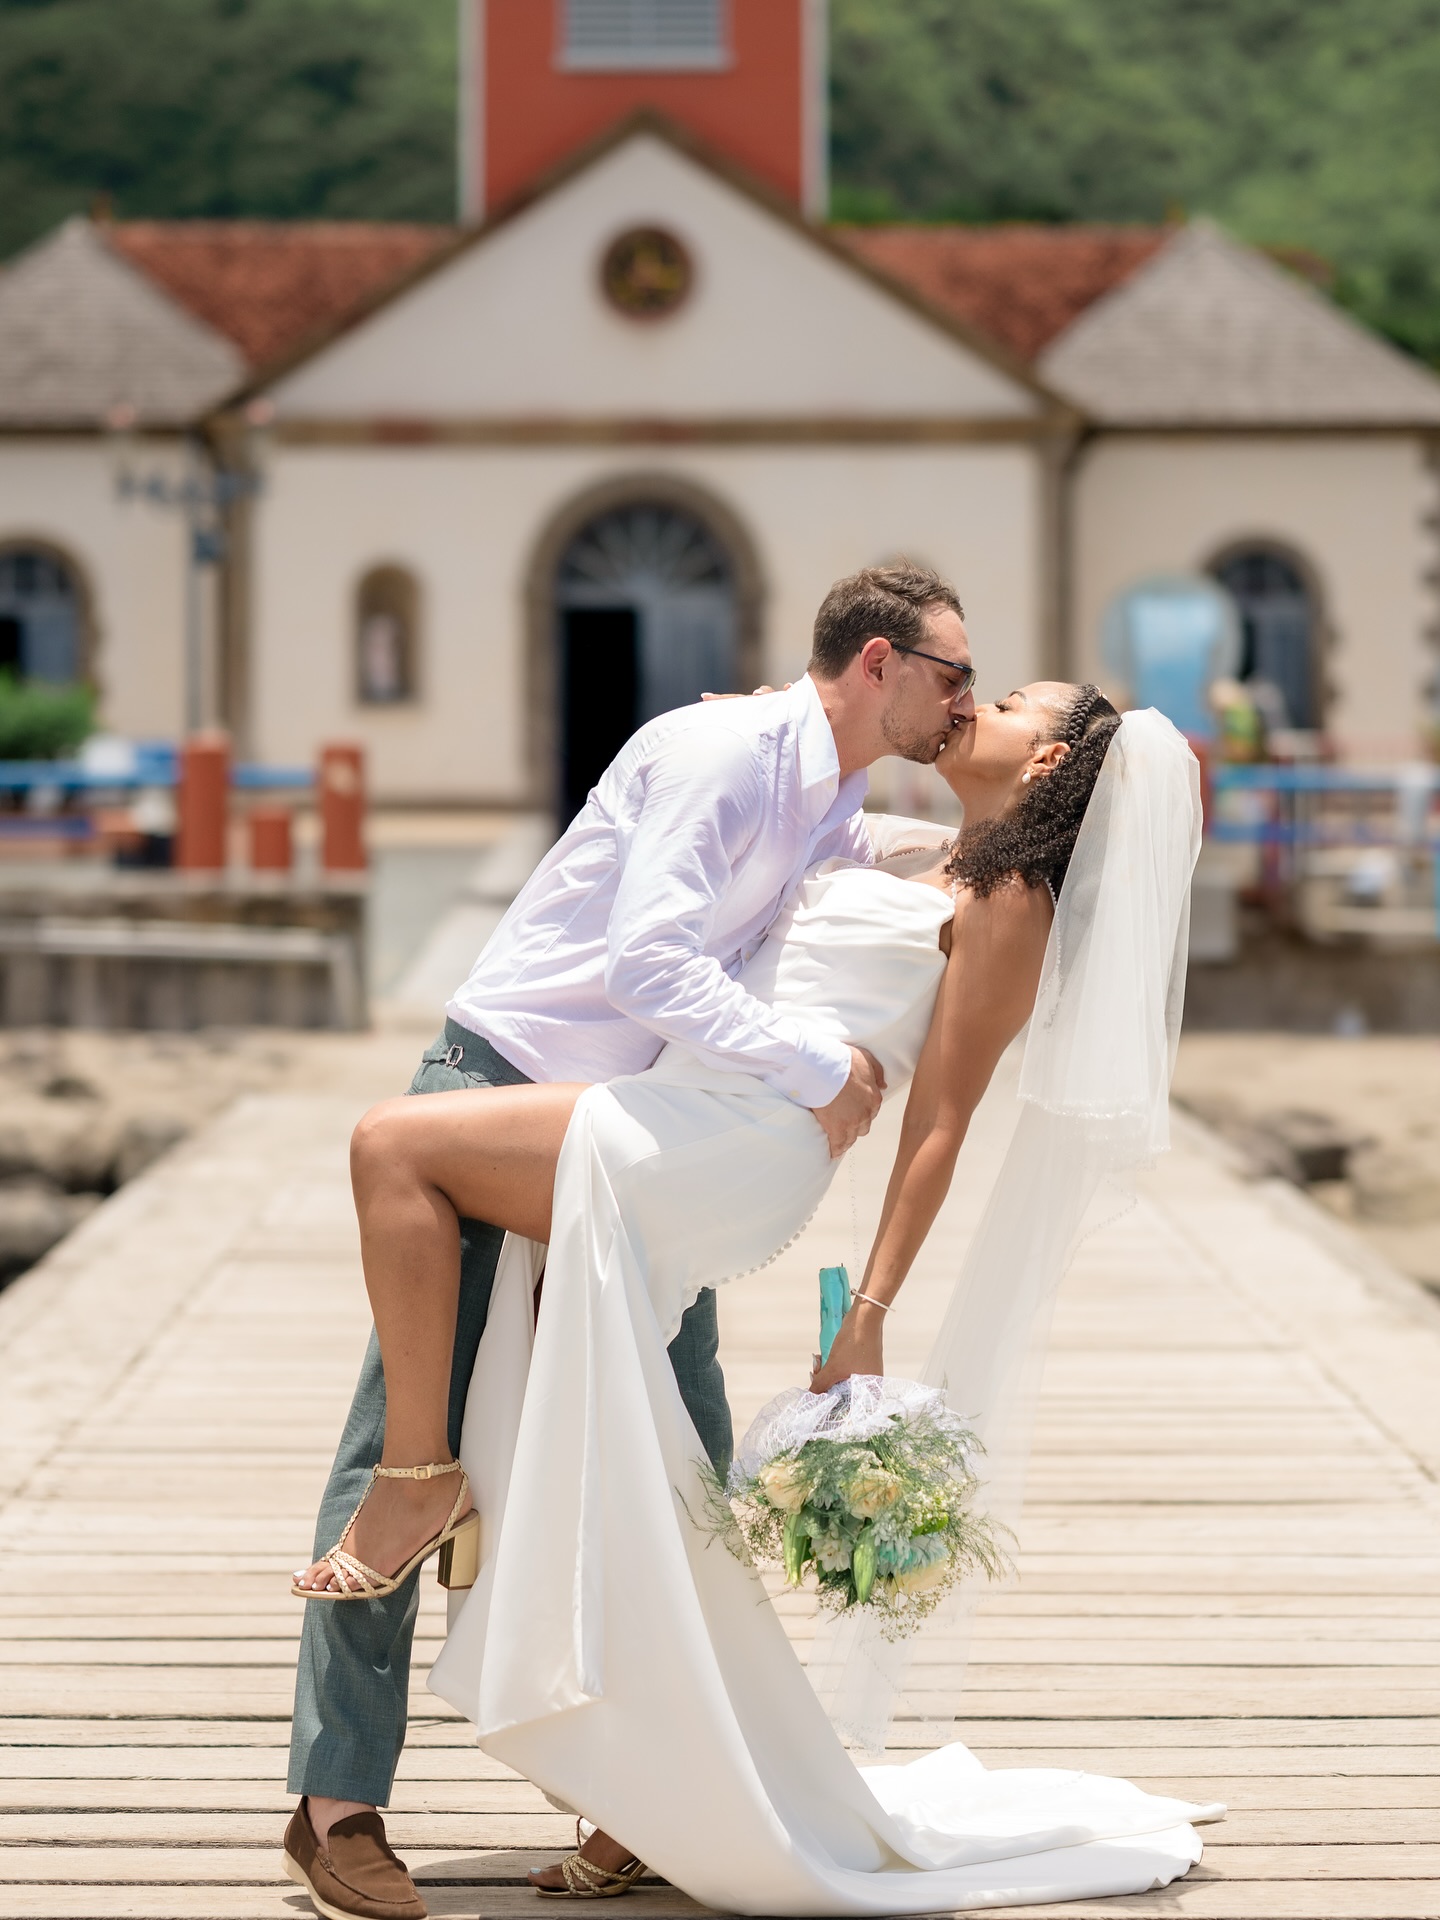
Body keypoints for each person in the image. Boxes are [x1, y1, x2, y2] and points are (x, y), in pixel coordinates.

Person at [293, 681, 1217, 1913]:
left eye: (995, 698)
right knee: (661, 1461)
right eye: (957, 677)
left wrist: (870, 1311)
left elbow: (940, 1121)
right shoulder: (886, 833)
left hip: (723, 1142)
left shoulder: (1009, 904)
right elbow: (774, 853)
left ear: (1046, 762)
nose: (966, 702)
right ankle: (645, 1796)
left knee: (399, 1167)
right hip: (669, 1115)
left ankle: (419, 1514)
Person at [283, 563, 977, 1920]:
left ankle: (660, 1801)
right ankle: (335, 1808)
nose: (964, 700)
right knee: (402, 1447)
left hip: (631, 1136)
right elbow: (650, 964)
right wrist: (814, 1067)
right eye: (954, 674)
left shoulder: (825, 784)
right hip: (501, 1094)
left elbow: (838, 873)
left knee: (682, 1454)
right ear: (882, 661)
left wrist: (988, 850)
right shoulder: (722, 753)